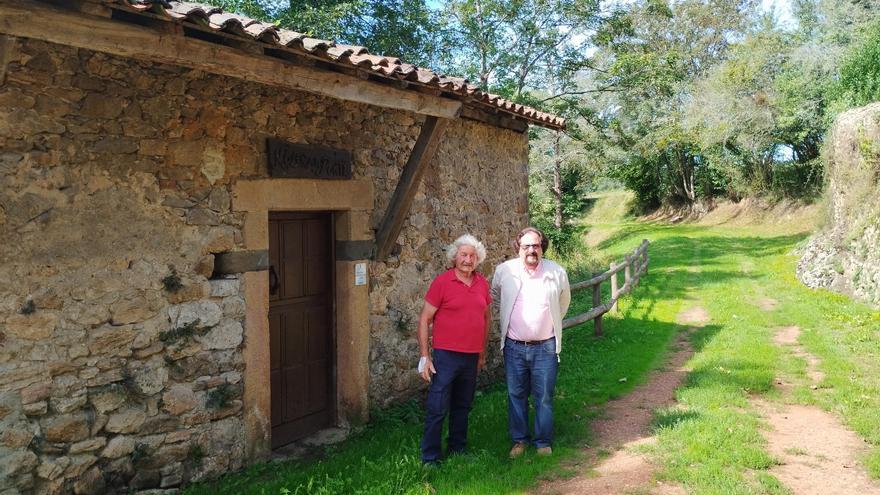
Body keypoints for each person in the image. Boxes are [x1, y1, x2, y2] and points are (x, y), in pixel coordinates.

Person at [492, 227, 570, 458]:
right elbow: (497, 297)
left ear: (542, 247)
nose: (531, 250)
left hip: (545, 347)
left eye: (536, 245)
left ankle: (543, 442)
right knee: (516, 394)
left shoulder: (556, 272)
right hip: (514, 346)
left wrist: (546, 323)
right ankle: (519, 441)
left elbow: (563, 302)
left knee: (544, 396)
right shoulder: (504, 271)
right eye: (526, 246)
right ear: (519, 248)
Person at [418, 234, 492, 465]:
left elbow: (486, 318)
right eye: (463, 255)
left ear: (477, 259)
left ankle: (457, 448)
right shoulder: (442, 282)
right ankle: (430, 457)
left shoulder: (482, 283)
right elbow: (424, 320)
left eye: (472, 256)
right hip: (446, 356)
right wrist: (425, 356)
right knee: (438, 407)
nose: (468, 260)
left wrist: (482, 352)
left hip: (471, 356)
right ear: (454, 257)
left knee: (463, 405)